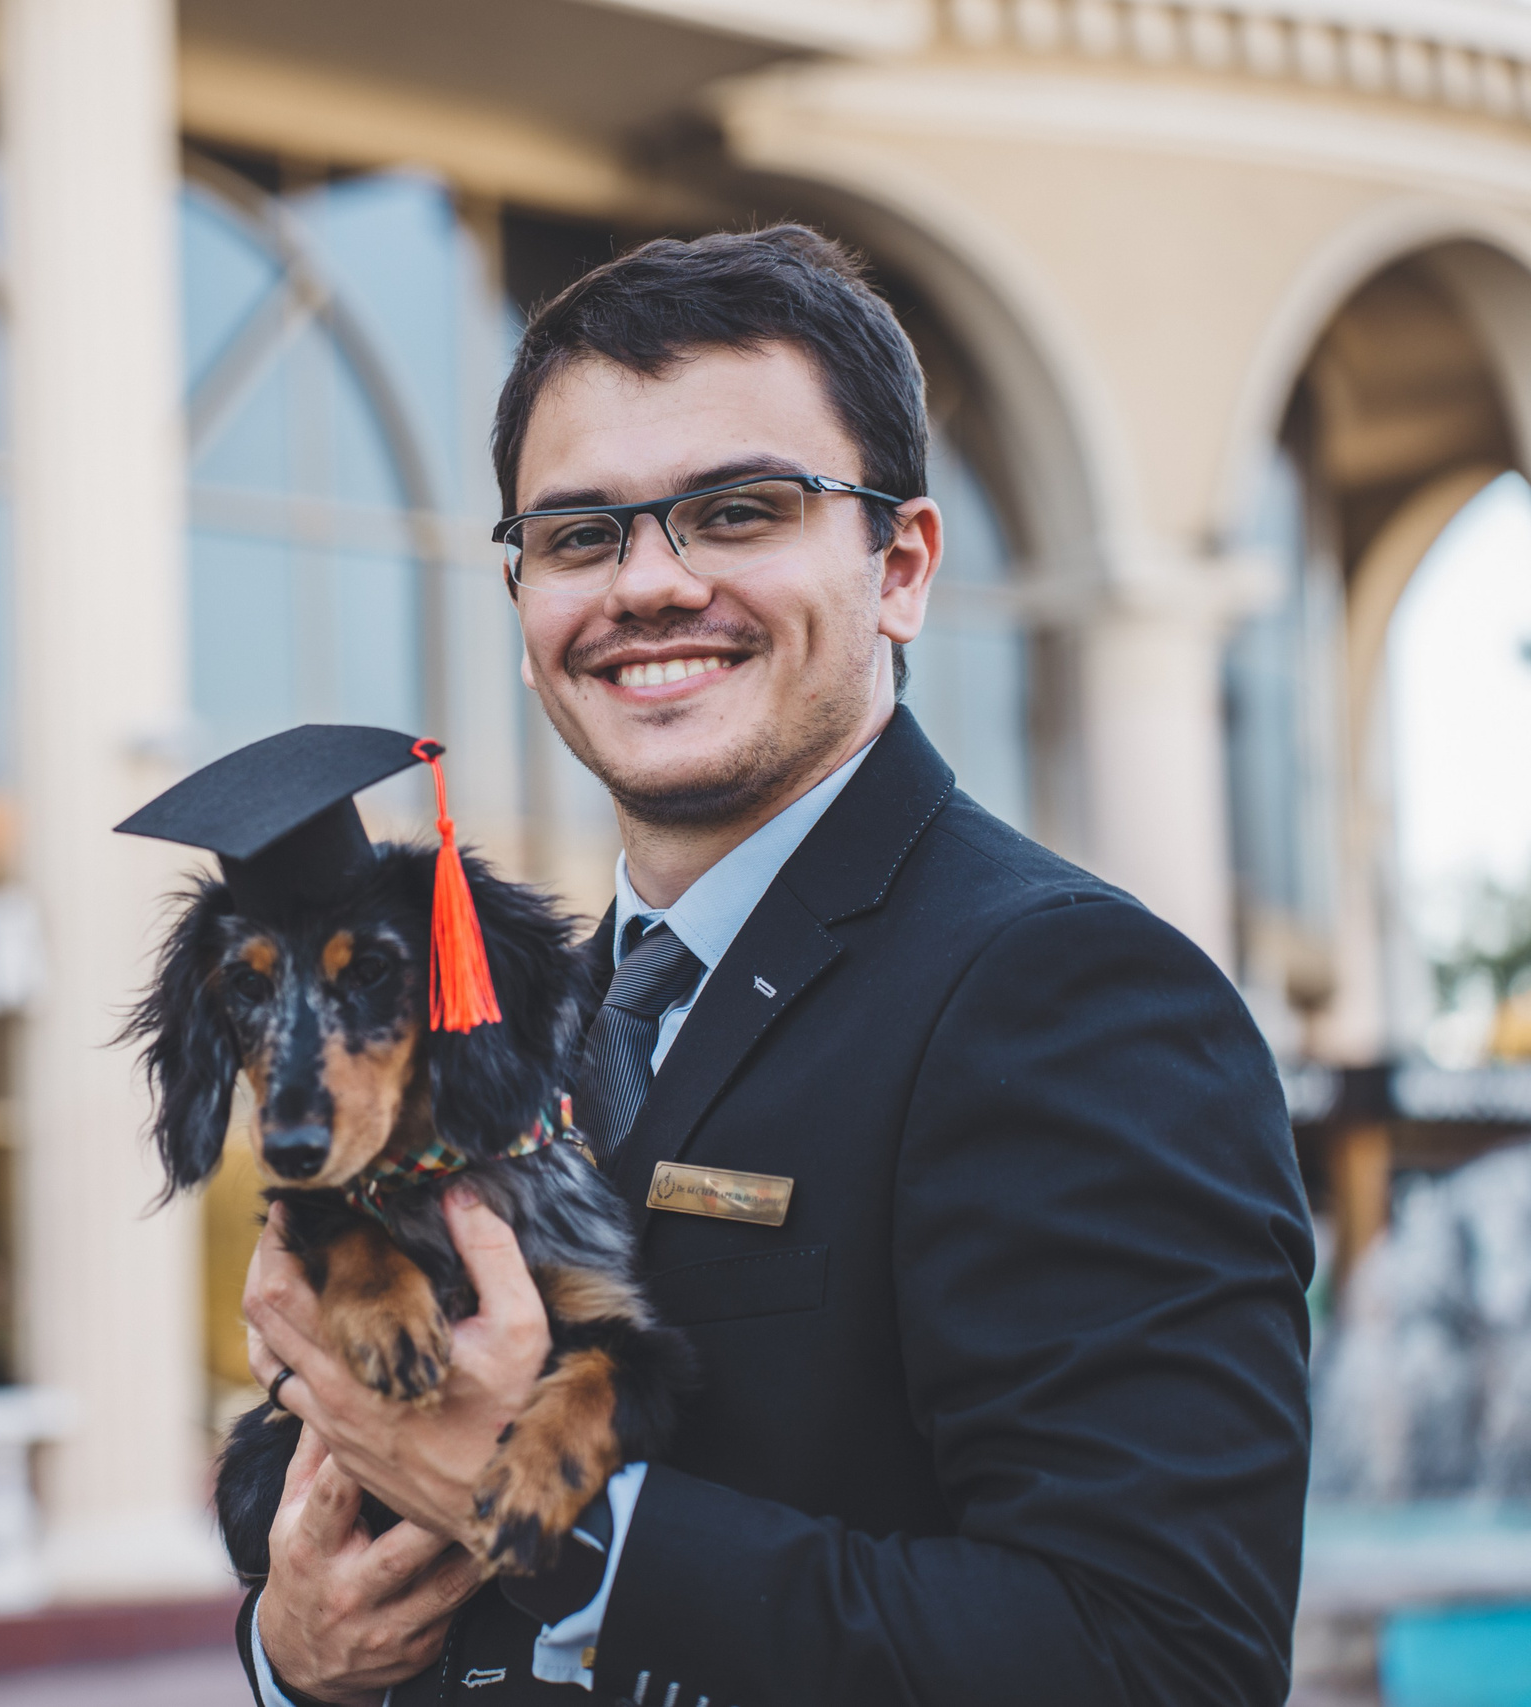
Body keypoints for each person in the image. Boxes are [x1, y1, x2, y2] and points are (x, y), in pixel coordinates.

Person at [235, 227, 1314, 1706]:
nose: (650, 583)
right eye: (578, 534)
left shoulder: (1076, 995)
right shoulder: (516, 1018)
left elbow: (1158, 1661)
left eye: (740, 512)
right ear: (525, 599)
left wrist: (567, 1530)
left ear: (902, 565)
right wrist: (297, 1652)